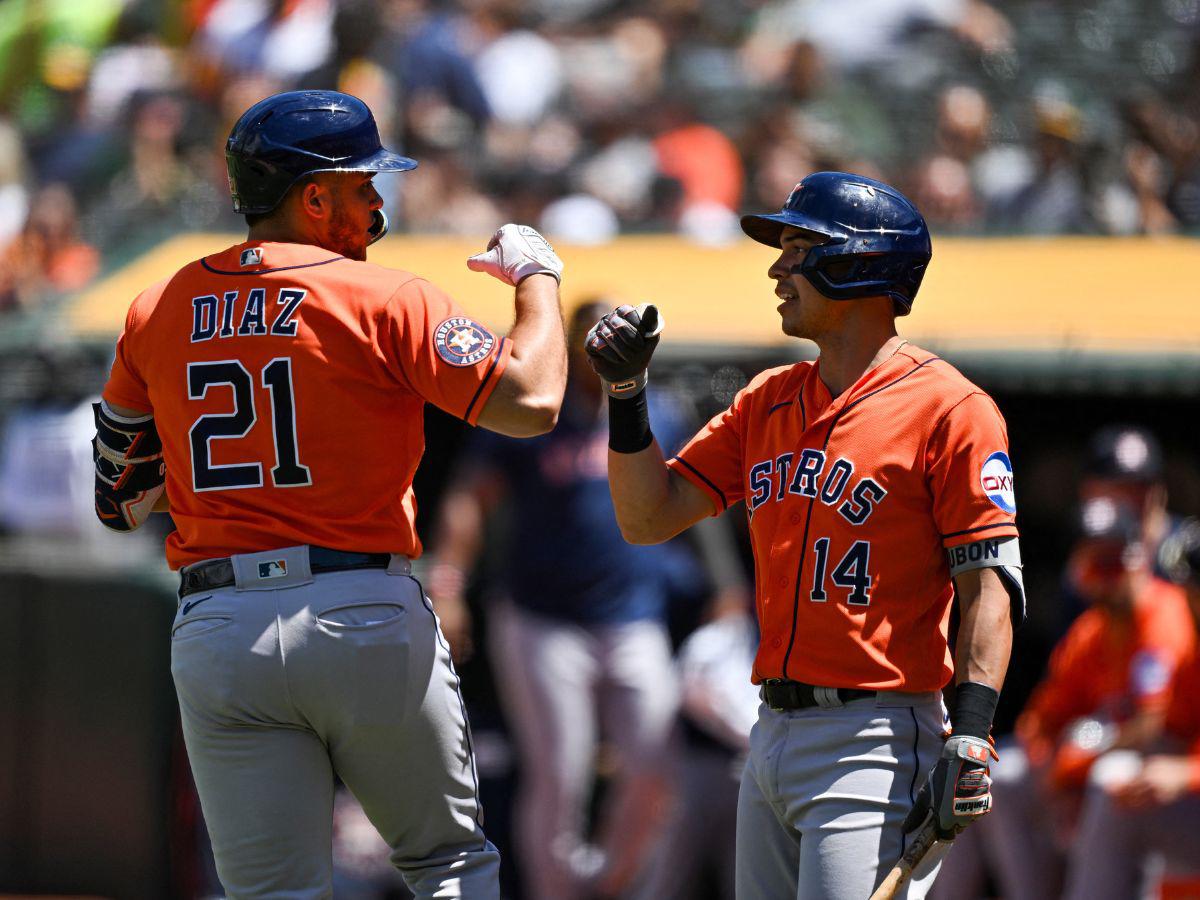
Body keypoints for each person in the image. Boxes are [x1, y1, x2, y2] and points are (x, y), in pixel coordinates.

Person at [91, 89, 567, 899]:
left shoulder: (155, 306)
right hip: (358, 608)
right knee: (446, 864)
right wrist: (537, 280)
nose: (378, 200)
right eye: (362, 183)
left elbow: (118, 499)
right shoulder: (384, 296)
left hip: (219, 626)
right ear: (314, 196)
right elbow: (533, 400)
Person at [584, 170, 1025, 899]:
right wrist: (627, 396)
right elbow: (647, 515)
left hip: (877, 734)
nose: (776, 267)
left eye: (797, 248)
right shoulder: (768, 399)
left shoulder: (951, 408)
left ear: (858, 263)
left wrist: (972, 732)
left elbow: (989, 588)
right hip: (770, 730)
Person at [427, 300, 747, 900]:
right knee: (560, 774)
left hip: (633, 616)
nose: (604, 346)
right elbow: (470, 497)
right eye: (594, 335)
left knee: (657, 769)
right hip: (541, 618)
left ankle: (608, 885)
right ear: (572, 342)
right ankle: (556, 891)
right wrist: (448, 583)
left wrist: (725, 586)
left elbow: (697, 498)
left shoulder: (660, 409)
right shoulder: (536, 408)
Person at [944, 496, 1194, 900]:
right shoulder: (1089, 631)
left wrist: (1077, 763)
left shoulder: (1163, 614)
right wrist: (1051, 769)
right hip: (1088, 769)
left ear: (1138, 557)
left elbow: (1155, 723)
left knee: (1108, 775)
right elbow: (1039, 718)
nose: (1106, 573)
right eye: (1097, 560)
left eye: (1115, 558)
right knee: (1000, 775)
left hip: (1156, 767)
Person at [1062, 519, 1200, 899]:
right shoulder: (1189, 645)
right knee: (1118, 787)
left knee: (1112, 784)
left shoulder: (1165, 623)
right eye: (1189, 588)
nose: (1190, 599)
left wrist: (1186, 773)